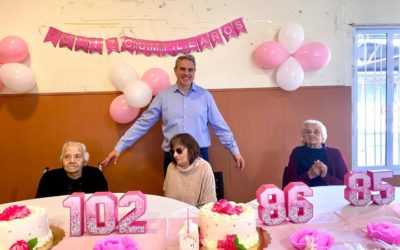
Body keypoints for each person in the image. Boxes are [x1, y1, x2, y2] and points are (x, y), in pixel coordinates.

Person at [101, 55, 245, 174]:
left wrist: (235, 152)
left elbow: (220, 126)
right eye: (182, 69)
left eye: (190, 70)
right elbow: (143, 124)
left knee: (201, 200)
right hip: (172, 156)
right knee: (173, 201)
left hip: (199, 155)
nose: (186, 73)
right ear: (175, 71)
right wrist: (119, 147)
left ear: (194, 72)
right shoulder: (163, 96)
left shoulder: (205, 96)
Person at [283, 119, 349, 187]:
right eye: (308, 132)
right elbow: (289, 184)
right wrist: (309, 175)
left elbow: (346, 183)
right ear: (303, 136)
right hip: (304, 196)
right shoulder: (297, 153)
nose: (311, 134)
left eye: (316, 132)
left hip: (330, 195)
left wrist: (325, 176)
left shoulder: (335, 153)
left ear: (323, 136)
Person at [35, 141, 108, 198]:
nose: (72, 161)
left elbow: (104, 202)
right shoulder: (49, 178)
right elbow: (40, 205)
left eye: (77, 156)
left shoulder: (96, 175)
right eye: (67, 157)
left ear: (84, 159)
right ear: (62, 159)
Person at [163, 133, 217, 207]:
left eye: (179, 151)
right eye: (172, 152)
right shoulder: (171, 167)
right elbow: (167, 198)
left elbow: (209, 204)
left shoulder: (204, 167)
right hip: (173, 215)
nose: (175, 155)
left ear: (191, 150)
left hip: (197, 215)